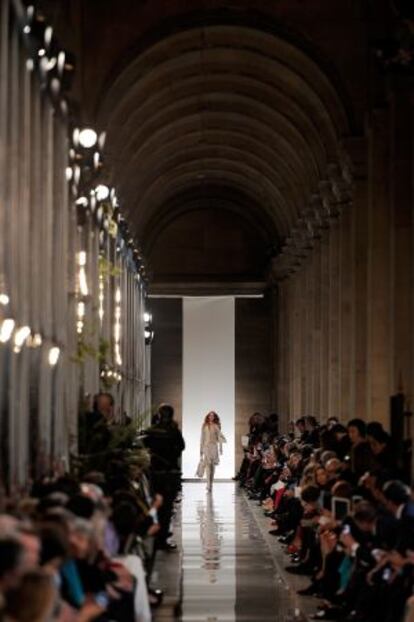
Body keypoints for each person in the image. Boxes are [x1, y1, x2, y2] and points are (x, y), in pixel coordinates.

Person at [200, 412, 226, 493]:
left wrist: (221, 448)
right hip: (206, 447)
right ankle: (208, 484)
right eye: (210, 415)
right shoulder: (204, 425)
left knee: (212, 466)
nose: (211, 417)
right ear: (208, 416)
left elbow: (220, 437)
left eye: (213, 416)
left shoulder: (216, 426)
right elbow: (202, 438)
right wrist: (201, 450)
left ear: (214, 417)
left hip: (214, 447)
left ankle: (211, 483)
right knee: (208, 465)